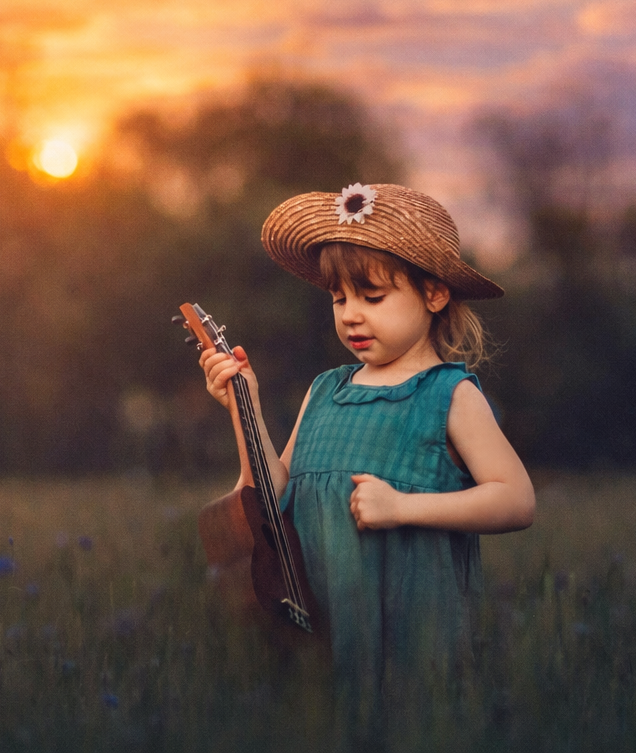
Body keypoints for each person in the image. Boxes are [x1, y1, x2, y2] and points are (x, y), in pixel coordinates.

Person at [200, 183, 535, 723]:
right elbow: (273, 493)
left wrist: (403, 507)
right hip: (324, 627)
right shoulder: (326, 388)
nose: (351, 315)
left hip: (409, 635)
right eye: (339, 299)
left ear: (434, 294)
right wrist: (245, 406)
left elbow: (516, 500)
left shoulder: (448, 394)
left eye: (372, 297)